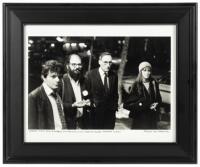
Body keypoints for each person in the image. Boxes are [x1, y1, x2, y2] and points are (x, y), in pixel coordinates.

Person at [28, 60, 67, 129]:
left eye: (59, 76)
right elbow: (31, 128)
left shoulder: (57, 94)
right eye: (53, 76)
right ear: (43, 77)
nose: (58, 80)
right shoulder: (34, 97)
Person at [123, 61, 162, 129]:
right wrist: (143, 104)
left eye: (149, 70)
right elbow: (128, 104)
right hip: (140, 118)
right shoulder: (135, 85)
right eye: (144, 70)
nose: (147, 72)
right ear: (140, 71)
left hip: (152, 118)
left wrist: (157, 104)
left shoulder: (154, 83)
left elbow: (159, 99)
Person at [85, 52, 118, 129]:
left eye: (110, 62)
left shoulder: (114, 75)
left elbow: (115, 94)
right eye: (105, 62)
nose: (108, 65)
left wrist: (114, 107)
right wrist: (91, 104)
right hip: (95, 115)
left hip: (110, 116)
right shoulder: (90, 75)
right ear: (99, 62)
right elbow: (86, 93)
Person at [61, 54, 91, 129]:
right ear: (67, 66)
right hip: (68, 124)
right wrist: (72, 105)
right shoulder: (61, 82)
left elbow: (90, 97)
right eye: (74, 64)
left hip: (83, 124)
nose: (77, 67)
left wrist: (89, 102)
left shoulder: (85, 80)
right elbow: (56, 104)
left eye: (79, 64)